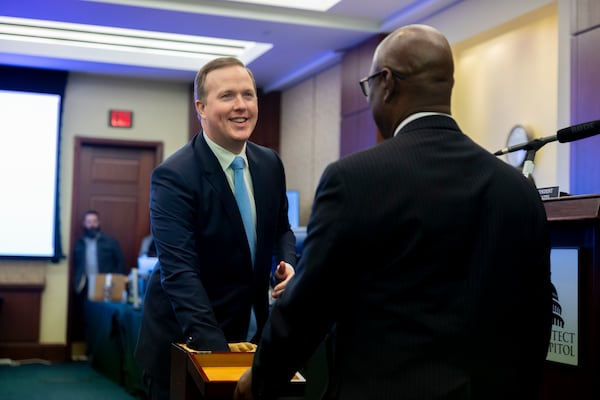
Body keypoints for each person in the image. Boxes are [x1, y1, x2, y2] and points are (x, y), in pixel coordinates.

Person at [235, 24, 552, 400]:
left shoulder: (353, 180)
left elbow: (308, 309)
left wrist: (260, 379)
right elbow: (538, 318)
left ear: (386, 83)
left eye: (368, 85)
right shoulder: (518, 189)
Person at [135, 57, 297, 400]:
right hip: (187, 346)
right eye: (227, 96)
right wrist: (220, 361)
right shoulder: (174, 176)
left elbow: (282, 229)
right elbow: (180, 275)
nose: (241, 106)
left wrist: (287, 263)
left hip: (253, 341)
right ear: (201, 107)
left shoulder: (270, 164)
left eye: (248, 95)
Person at [73, 209, 125, 296]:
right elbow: (76, 264)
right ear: (84, 224)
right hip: (85, 285)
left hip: (107, 284)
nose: (92, 225)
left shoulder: (110, 242)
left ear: (99, 223)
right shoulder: (80, 244)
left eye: (94, 221)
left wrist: (117, 281)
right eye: (89, 222)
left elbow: (120, 262)